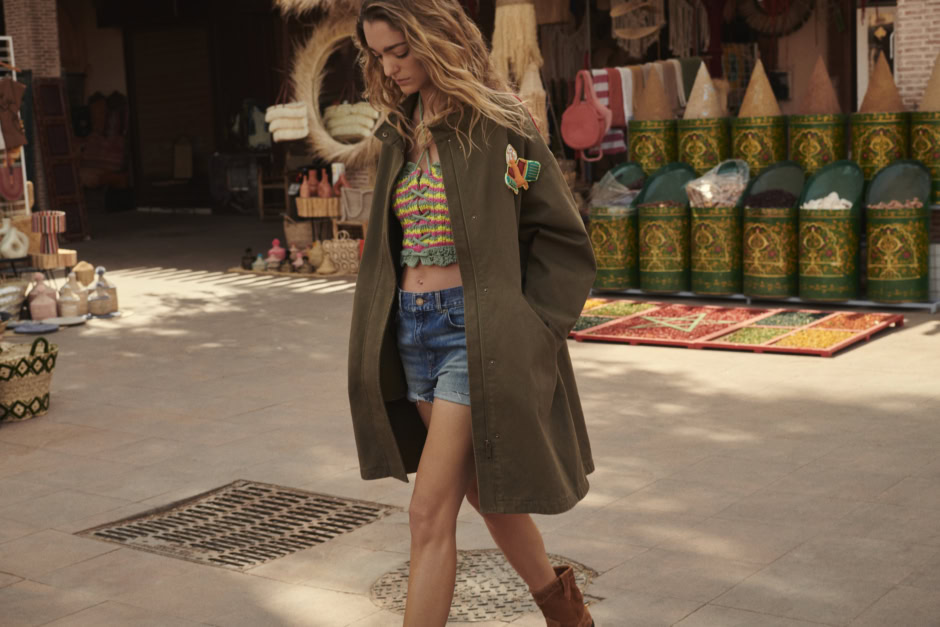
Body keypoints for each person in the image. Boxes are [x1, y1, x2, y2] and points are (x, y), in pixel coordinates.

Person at [348, 1, 596, 625]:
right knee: (488, 495)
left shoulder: (502, 124)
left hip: (473, 332)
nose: (392, 66)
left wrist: (534, 327)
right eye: (380, 54)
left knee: (429, 512)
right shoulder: (400, 129)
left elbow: (558, 233)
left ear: (436, 38)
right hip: (413, 332)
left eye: (401, 51)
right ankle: (568, 615)